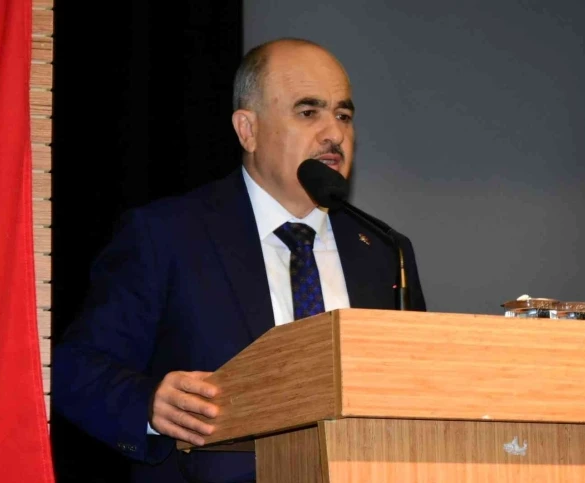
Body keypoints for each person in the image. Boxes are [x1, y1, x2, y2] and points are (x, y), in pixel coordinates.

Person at [53, 38, 426, 483]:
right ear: (248, 129)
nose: (334, 133)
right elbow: (78, 368)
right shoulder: (167, 235)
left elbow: (416, 394)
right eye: (309, 112)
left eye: (343, 115)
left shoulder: (384, 251)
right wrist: (148, 403)